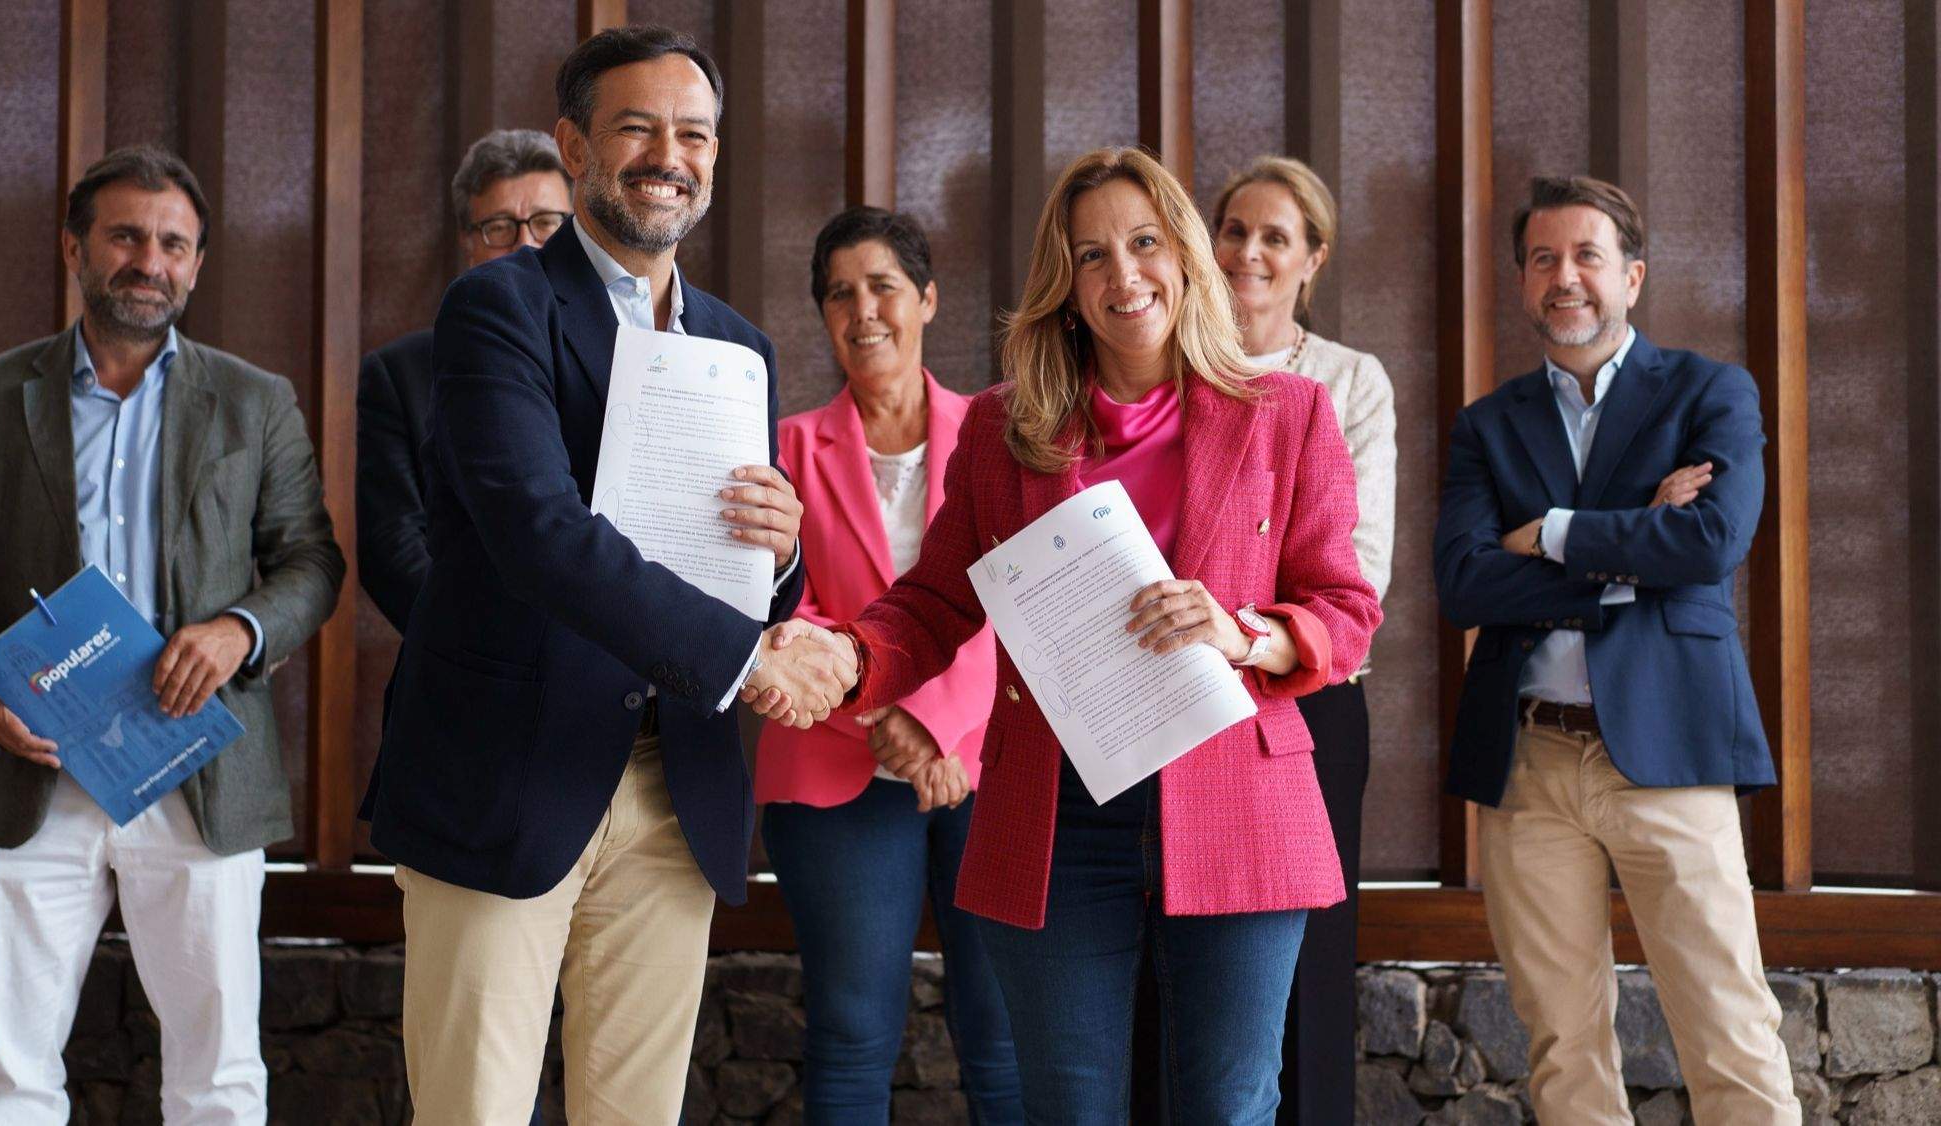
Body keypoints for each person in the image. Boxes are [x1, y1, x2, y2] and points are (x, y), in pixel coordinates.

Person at [755, 147, 1381, 1122]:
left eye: (1142, 243)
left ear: (1182, 253)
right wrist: (846, 657)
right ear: (1066, 285)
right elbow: (932, 604)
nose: (1122, 275)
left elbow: (1343, 611)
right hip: (1056, 815)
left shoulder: (1286, 414)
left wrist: (1244, 632)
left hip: (1236, 801)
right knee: (1066, 1106)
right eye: (1091, 256)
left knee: (1225, 1107)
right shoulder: (1006, 429)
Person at [359, 26, 855, 1122]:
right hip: (505, 777)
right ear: (573, 149)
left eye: (692, 134)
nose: (665, 154)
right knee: (472, 1109)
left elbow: (734, 564)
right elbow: (533, 528)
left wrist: (779, 557)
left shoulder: (738, 346)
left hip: (672, 783)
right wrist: (747, 655)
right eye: (635, 127)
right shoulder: (497, 308)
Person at [0, 144, 345, 1122]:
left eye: (173, 243)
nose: (148, 260)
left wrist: (240, 631)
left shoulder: (256, 402)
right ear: (74, 246)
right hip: (32, 765)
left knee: (218, 1075)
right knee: (6, 1072)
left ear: (198, 263)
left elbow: (312, 563)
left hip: (194, 768)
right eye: (125, 235)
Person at [1433, 174, 1800, 1123]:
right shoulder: (1487, 424)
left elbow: (1713, 541)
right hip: (1532, 760)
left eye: (1588, 256)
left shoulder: (1709, 391)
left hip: (1669, 749)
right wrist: (1633, 540)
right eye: (1544, 258)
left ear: (1631, 277)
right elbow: (1465, 583)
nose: (1567, 278)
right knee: (1562, 1046)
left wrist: (1550, 530)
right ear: (1521, 281)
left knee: (1727, 1027)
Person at [757, 206, 1022, 1120]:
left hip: (986, 760)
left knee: (1003, 1034)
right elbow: (781, 611)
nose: (863, 310)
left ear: (928, 300)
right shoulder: (783, 447)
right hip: (832, 767)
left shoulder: (998, 430)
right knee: (852, 1030)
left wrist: (938, 724)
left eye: (884, 287)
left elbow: (1017, 596)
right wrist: (889, 725)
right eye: (840, 293)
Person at [1211, 155, 1396, 1125]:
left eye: (1273, 236)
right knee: (1182, 960)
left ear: (1311, 260)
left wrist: (1234, 629)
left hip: (1309, 703)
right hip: (1181, 704)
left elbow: (1353, 576)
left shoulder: (1350, 384)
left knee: (1308, 967)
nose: (1247, 253)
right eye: (1233, 230)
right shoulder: (1166, 362)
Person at [358, 128, 572, 632]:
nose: (526, 246)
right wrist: (486, 651)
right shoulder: (399, 375)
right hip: (471, 673)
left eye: (546, 223)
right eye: (499, 227)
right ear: (467, 243)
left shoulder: (628, 357)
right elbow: (390, 545)